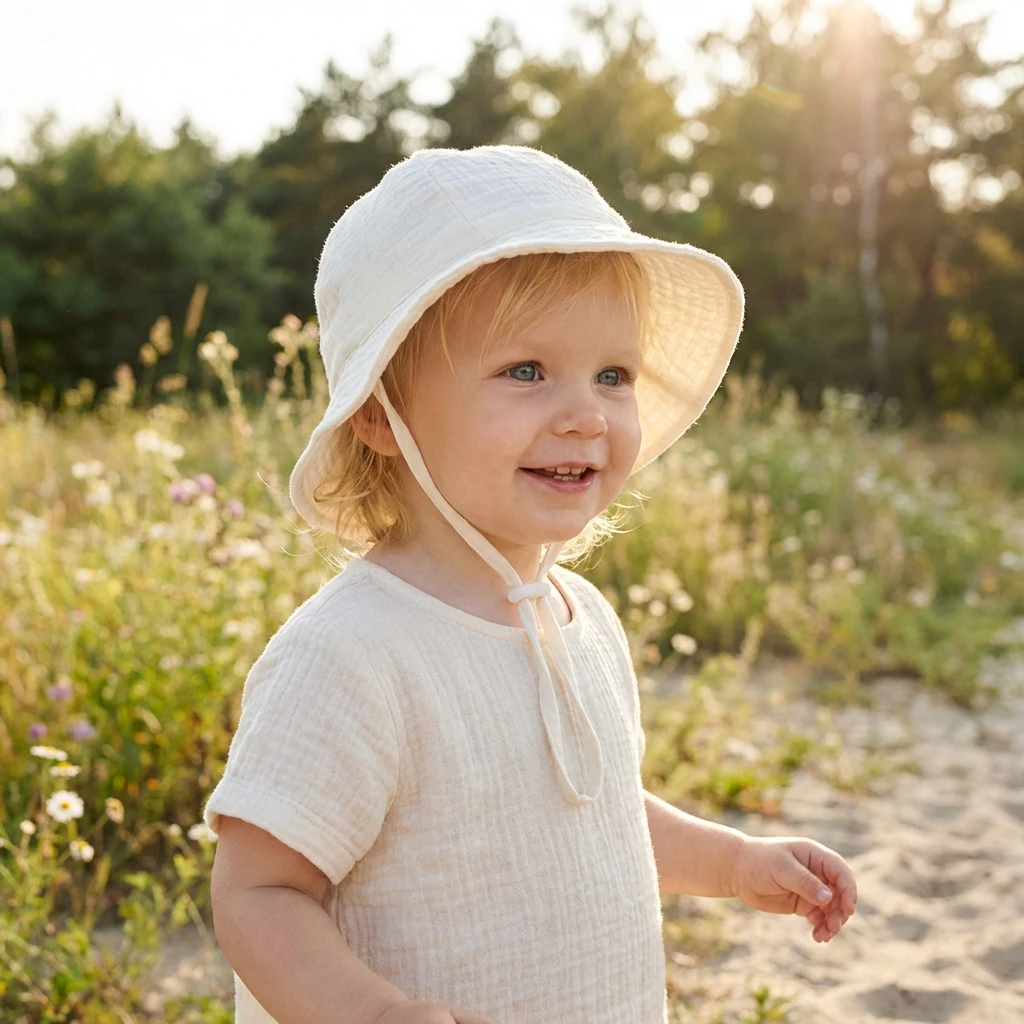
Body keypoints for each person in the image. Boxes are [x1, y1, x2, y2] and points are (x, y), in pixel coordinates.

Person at [202, 144, 858, 1024]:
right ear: (379, 414)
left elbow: (598, 819)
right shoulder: (352, 653)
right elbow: (259, 890)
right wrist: (370, 1012)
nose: (585, 413)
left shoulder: (581, 621)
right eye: (525, 370)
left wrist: (734, 862)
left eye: (613, 376)